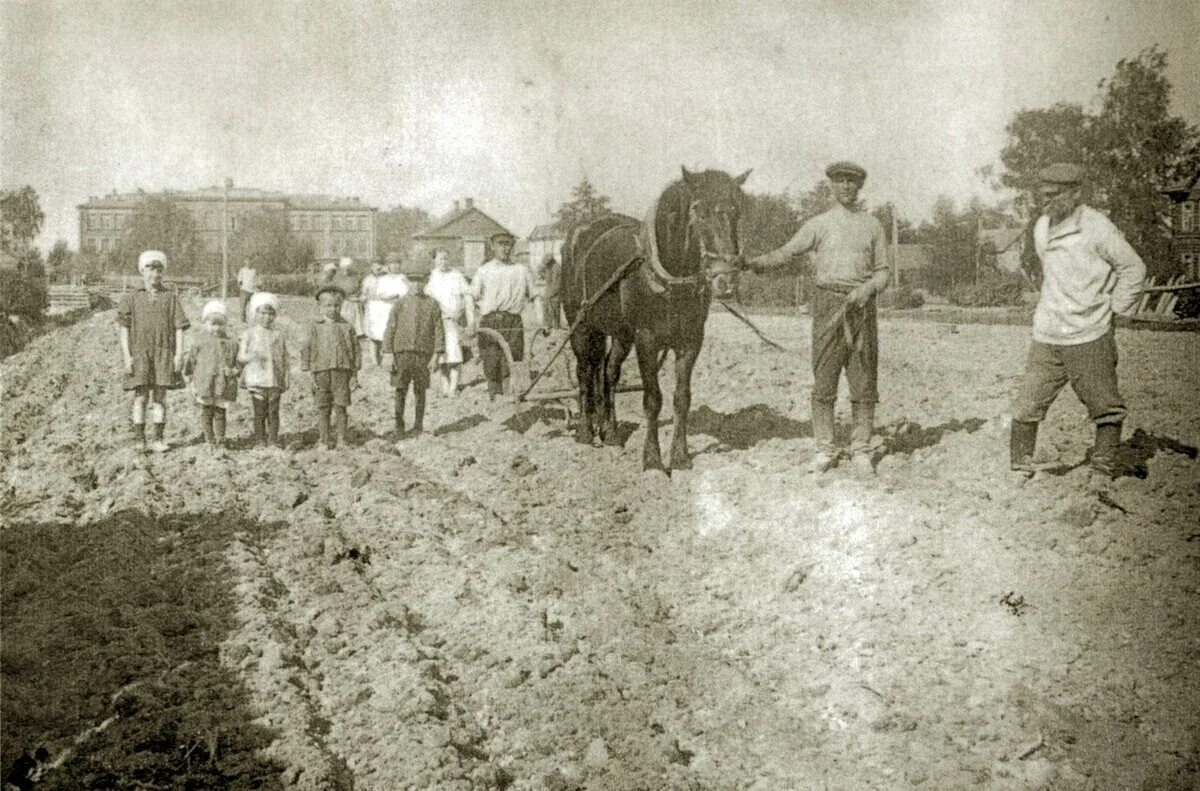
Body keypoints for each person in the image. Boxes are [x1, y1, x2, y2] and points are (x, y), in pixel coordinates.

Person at [742, 161, 891, 474]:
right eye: (840, 182)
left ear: (860, 186)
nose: (846, 187)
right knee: (824, 376)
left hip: (861, 307)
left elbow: (883, 273)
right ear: (832, 186)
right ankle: (825, 447)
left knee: (863, 379)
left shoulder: (873, 225)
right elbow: (786, 253)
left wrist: (866, 290)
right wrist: (754, 263)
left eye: (852, 182)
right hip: (826, 305)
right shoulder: (819, 224)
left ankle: (861, 447)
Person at [1010, 162, 1146, 480]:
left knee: (1105, 405)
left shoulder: (1097, 226)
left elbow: (1133, 268)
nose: (1044, 202)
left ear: (1073, 193)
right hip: (1047, 333)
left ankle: (1101, 467)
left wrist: (1117, 311)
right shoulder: (1042, 227)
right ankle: (1020, 462)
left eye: (1052, 195)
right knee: (1028, 402)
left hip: (1089, 333)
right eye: (1041, 195)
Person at [117, 250, 189, 453]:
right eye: (150, 268)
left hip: (163, 354)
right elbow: (124, 329)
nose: (155, 274)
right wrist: (127, 356)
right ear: (141, 271)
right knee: (140, 397)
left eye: (159, 269)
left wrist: (179, 354)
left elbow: (179, 328)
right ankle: (140, 439)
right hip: (140, 354)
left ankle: (157, 438)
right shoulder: (131, 297)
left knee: (160, 398)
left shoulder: (170, 297)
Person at [470, 232, 537, 399]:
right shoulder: (484, 271)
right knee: (491, 361)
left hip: (513, 321)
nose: (505, 248)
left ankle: (509, 398)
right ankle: (495, 398)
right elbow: (470, 296)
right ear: (493, 246)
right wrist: (471, 321)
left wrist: (542, 321)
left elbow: (535, 296)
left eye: (508, 244)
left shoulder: (521, 270)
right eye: (501, 244)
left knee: (512, 360)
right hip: (490, 322)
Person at [382, 259, 443, 437]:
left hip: (423, 355)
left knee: (420, 391)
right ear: (406, 281)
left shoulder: (432, 304)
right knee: (400, 390)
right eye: (412, 280)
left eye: (421, 280)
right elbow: (390, 329)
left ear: (426, 281)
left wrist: (436, 355)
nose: (416, 284)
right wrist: (388, 353)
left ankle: (418, 425)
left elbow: (439, 331)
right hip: (402, 354)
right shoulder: (399, 304)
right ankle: (399, 426)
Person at [300, 286, 361, 449]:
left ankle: (342, 438)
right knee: (323, 406)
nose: (332, 309)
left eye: (336, 305)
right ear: (320, 307)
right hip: (321, 370)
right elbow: (307, 346)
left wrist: (355, 372)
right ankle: (324, 439)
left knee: (341, 405)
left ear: (340, 306)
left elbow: (355, 349)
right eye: (328, 305)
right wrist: (307, 366)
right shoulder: (315, 326)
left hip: (342, 370)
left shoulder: (347, 326)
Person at [184, 300, 240, 451]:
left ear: (225, 324)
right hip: (205, 382)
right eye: (213, 324)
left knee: (220, 412)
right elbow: (191, 360)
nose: (216, 328)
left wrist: (235, 371)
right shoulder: (199, 342)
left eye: (220, 324)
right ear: (205, 323)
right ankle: (209, 439)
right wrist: (189, 376)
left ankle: (220, 440)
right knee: (206, 411)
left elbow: (238, 362)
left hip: (222, 383)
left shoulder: (231, 343)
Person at [238, 291, 290, 448]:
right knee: (259, 412)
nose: (267, 317)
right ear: (256, 314)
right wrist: (251, 356)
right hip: (257, 378)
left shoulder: (278, 335)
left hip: (274, 379)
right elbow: (241, 357)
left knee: (273, 412)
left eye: (270, 314)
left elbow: (285, 357)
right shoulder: (249, 334)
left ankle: (273, 439)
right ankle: (260, 440)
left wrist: (286, 376)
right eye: (263, 313)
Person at [425, 247, 474, 396]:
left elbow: (467, 296)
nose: (443, 262)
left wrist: (463, 313)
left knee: (454, 355)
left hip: (452, 321)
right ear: (435, 260)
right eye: (440, 259)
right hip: (436, 321)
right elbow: (427, 298)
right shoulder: (431, 277)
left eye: (446, 258)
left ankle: (453, 387)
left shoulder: (457, 276)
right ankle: (445, 385)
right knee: (441, 356)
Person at [363, 253, 410, 365]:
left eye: (397, 264)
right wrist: (388, 297)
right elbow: (379, 294)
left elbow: (407, 293)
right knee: (379, 334)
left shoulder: (403, 278)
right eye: (392, 264)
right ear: (388, 266)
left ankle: (394, 358)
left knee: (396, 334)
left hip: (399, 308)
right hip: (383, 310)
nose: (395, 266)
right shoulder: (383, 279)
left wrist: (397, 298)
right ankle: (376, 360)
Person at [332, 257, 365, 339]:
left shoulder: (354, 279)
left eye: (348, 268)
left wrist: (359, 296)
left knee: (357, 315)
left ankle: (358, 333)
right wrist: (348, 298)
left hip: (355, 302)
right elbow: (337, 293)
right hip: (344, 303)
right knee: (346, 317)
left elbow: (359, 290)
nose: (346, 271)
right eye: (344, 268)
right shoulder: (337, 279)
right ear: (341, 268)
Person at [537, 253, 563, 333]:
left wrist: (548, 295)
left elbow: (556, 286)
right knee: (546, 310)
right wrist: (542, 273)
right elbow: (540, 270)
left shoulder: (556, 268)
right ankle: (547, 327)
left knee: (554, 311)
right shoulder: (548, 267)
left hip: (554, 295)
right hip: (548, 292)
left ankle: (555, 329)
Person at [236, 257, 258, 322]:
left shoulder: (254, 270)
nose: (248, 262)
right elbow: (239, 280)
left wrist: (256, 288)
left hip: (253, 291)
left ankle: (254, 320)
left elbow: (256, 280)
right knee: (243, 307)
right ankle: (243, 320)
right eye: (247, 261)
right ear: (244, 262)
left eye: (250, 261)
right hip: (244, 290)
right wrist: (241, 288)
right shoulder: (242, 270)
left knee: (254, 306)